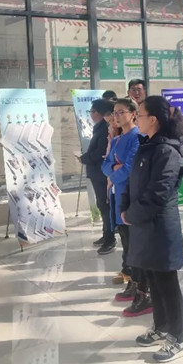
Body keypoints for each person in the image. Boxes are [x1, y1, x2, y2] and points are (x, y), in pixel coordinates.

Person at [121, 96, 183, 363]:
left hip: (160, 228)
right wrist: (125, 207)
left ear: (154, 120)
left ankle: (178, 338)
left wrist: (131, 214)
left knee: (166, 283)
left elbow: (158, 192)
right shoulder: (147, 145)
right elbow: (131, 183)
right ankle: (161, 326)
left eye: (139, 114)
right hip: (144, 226)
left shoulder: (167, 151)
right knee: (154, 280)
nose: (136, 118)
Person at [102, 99, 142, 307]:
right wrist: (113, 169)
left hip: (130, 195)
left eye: (121, 112)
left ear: (133, 113)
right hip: (117, 194)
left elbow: (130, 168)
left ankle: (139, 284)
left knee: (134, 243)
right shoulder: (117, 139)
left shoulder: (137, 137)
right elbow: (105, 165)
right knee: (125, 240)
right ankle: (132, 279)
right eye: (114, 112)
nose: (116, 116)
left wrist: (114, 172)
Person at [81, 99, 116, 254]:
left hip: (102, 173)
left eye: (93, 111)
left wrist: (84, 158)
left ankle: (110, 238)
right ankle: (106, 234)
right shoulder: (99, 127)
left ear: (100, 113)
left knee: (105, 205)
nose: (91, 114)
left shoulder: (105, 129)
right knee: (102, 205)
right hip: (97, 172)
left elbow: (101, 153)